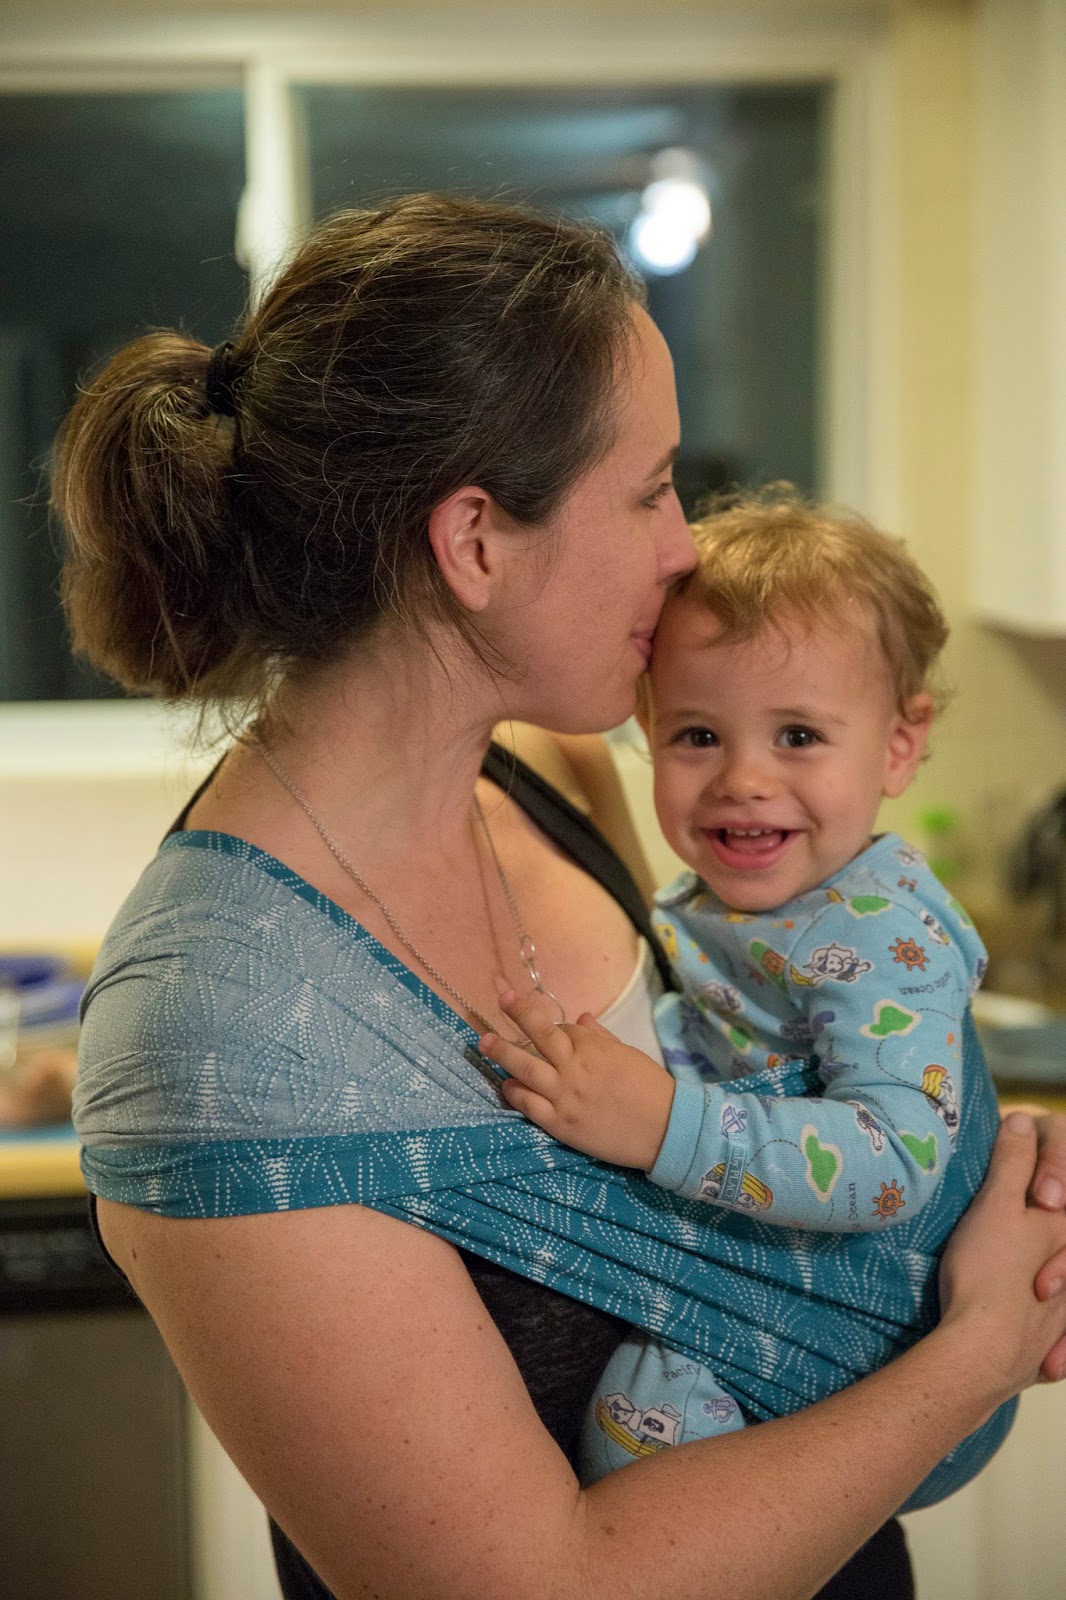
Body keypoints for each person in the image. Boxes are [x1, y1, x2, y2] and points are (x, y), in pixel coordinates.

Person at [55, 196, 1066, 1600]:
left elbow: (764, 1065)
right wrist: (980, 1351)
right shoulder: (213, 1041)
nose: (684, 547)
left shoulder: (549, 773)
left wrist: (968, 1162)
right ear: (475, 541)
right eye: (649, 490)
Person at [478, 495, 1012, 1505]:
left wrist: (658, 1121)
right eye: (696, 735)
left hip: (874, 1348)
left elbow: (894, 1160)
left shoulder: (878, 934)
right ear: (647, 730)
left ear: (900, 744)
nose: (743, 778)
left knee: (633, 1448)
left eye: (798, 734)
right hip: (803, 1316)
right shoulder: (725, 900)